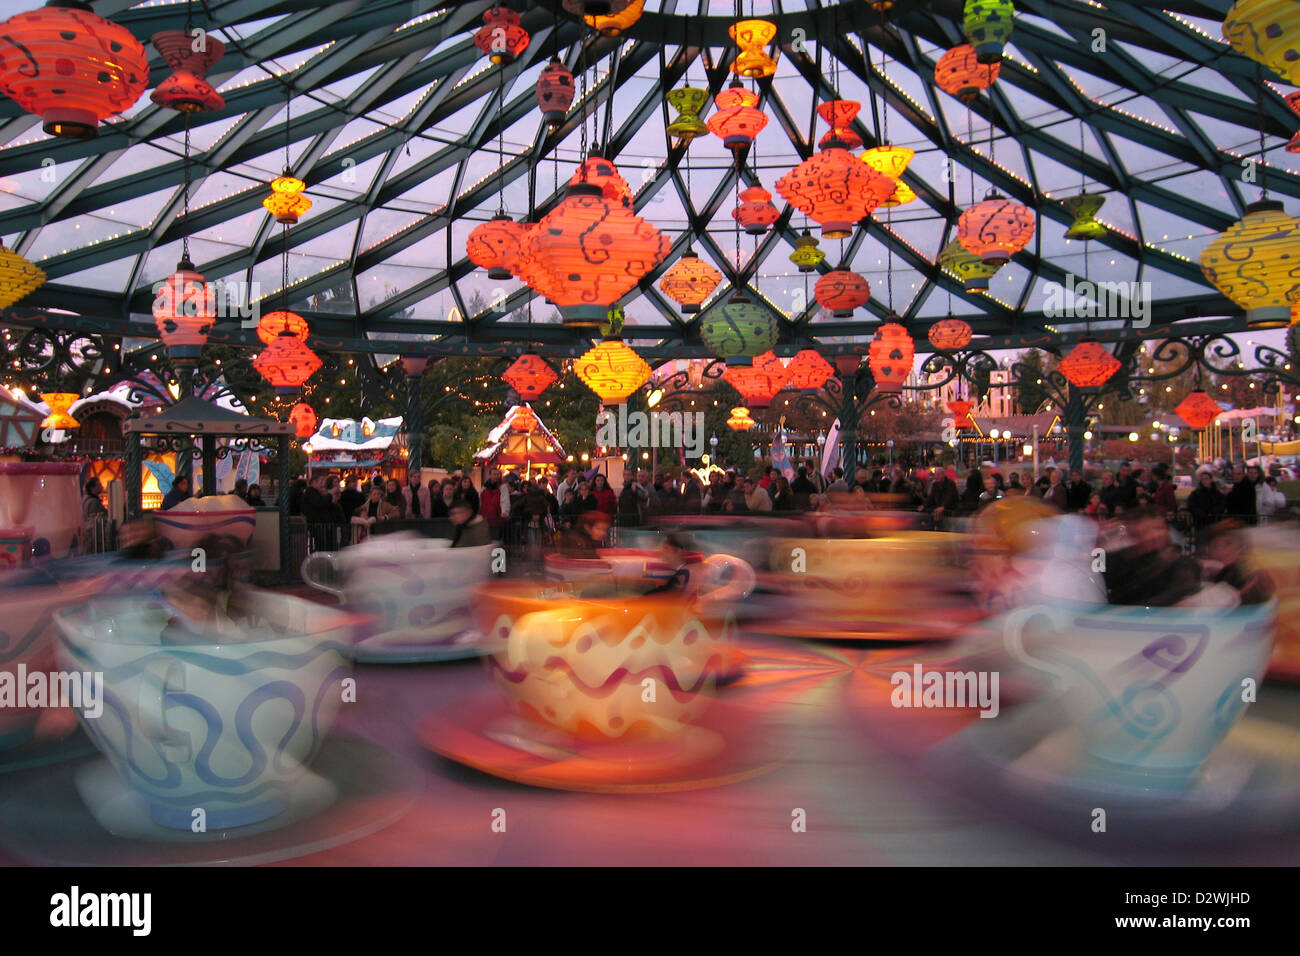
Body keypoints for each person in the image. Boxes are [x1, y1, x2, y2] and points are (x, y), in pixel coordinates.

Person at [1103, 507, 1203, 606]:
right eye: (1148, 530)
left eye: (1160, 528)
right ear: (1131, 532)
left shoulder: (1181, 565)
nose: (1157, 535)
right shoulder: (1115, 561)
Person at [1201, 520, 1274, 605]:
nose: (1220, 549)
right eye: (1214, 545)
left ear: (1243, 547)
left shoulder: (1252, 575)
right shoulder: (1224, 573)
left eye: (1228, 543)